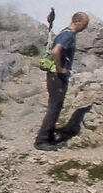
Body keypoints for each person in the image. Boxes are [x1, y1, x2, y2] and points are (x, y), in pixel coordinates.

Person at [37, 11, 90, 148]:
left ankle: (49, 138)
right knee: (54, 107)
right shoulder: (68, 35)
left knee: (56, 106)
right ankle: (42, 141)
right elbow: (56, 51)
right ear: (77, 22)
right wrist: (60, 69)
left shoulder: (65, 33)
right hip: (57, 76)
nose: (85, 28)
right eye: (84, 24)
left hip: (54, 76)